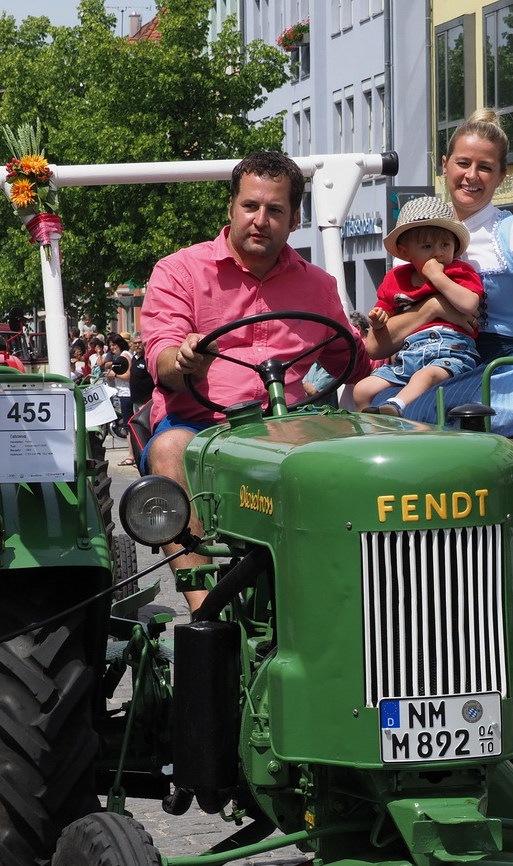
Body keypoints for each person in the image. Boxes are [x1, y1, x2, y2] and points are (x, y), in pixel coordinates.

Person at [140, 152, 364, 609]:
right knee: (167, 450)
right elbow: (160, 355)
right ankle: (205, 610)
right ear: (231, 208)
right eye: (250, 206)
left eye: (275, 210)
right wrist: (184, 361)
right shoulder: (179, 270)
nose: (260, 220)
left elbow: (353, 360)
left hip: (291, 429)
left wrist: (391, 338)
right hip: (203, 428)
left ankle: (342, 600)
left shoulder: (319, 287)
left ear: (295, 218)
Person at [374, 107, 513, 425]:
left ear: (501, 175)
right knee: (370, 403)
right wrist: (430, 311)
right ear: (444, 165)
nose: (471, 176)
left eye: (485, 167)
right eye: (463, 163)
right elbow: (382, 339)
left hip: (495, 370)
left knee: (431, 412)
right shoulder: (412, 242)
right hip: (421, 362)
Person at [358, 197, 485, 418]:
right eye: (427, 247)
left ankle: (396, 406)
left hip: (449, 350)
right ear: (406, 253)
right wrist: (379, 319)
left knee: (425, 376)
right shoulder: (395, 278)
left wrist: (437, 276)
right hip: (408, 354)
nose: (438, 253)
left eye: (445, 245)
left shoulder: (458, 271)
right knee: (362, 389)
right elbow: (383, 312)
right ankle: (366, 431)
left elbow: (469, 304)